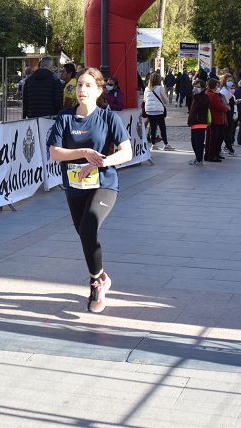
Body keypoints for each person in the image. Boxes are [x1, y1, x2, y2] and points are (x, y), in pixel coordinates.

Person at [47, 68, 133, 313]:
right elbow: (55, 153)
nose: (82, 90)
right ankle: (102, 275)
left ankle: (95, 283)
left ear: (98, 90)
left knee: (89, 226)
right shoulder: (65, 118)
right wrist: (84, 154)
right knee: (85, 236)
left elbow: (126, 152)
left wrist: (101, 161)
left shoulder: (108, 118)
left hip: (104, 184)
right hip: (75, 187)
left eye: (87, 86)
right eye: (79, 85)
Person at [143, 72, 173, 151]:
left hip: (149, 111)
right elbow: (166, 100)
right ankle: (166, 144)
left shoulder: (147, 88)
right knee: (162, 127)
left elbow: (145, 99)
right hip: (158, 110)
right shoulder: (160, 88)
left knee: (153, 127)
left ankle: (153, 144)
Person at [204, 77, 229, 162]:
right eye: (217, 85)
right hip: (216, 119)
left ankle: (213, 154)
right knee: (214, 139)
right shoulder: (212, 95)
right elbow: (220, 106)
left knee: (212, 138)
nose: (218, 87)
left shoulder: (209, 93)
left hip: (214, 119)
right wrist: (227, 108)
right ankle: (212, 155)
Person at [187, 79, 209, 165]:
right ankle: (197, 157)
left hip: (200, 122)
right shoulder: (194, 96)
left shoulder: (205, 97)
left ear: (203, 88)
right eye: (195, 86)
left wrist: (195, 96)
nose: (196, 88)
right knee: (194, 142)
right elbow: (191, 109)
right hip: (194, 122)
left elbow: (201, 105)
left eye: (198, 87)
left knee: (199, 142)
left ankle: (199, 159)